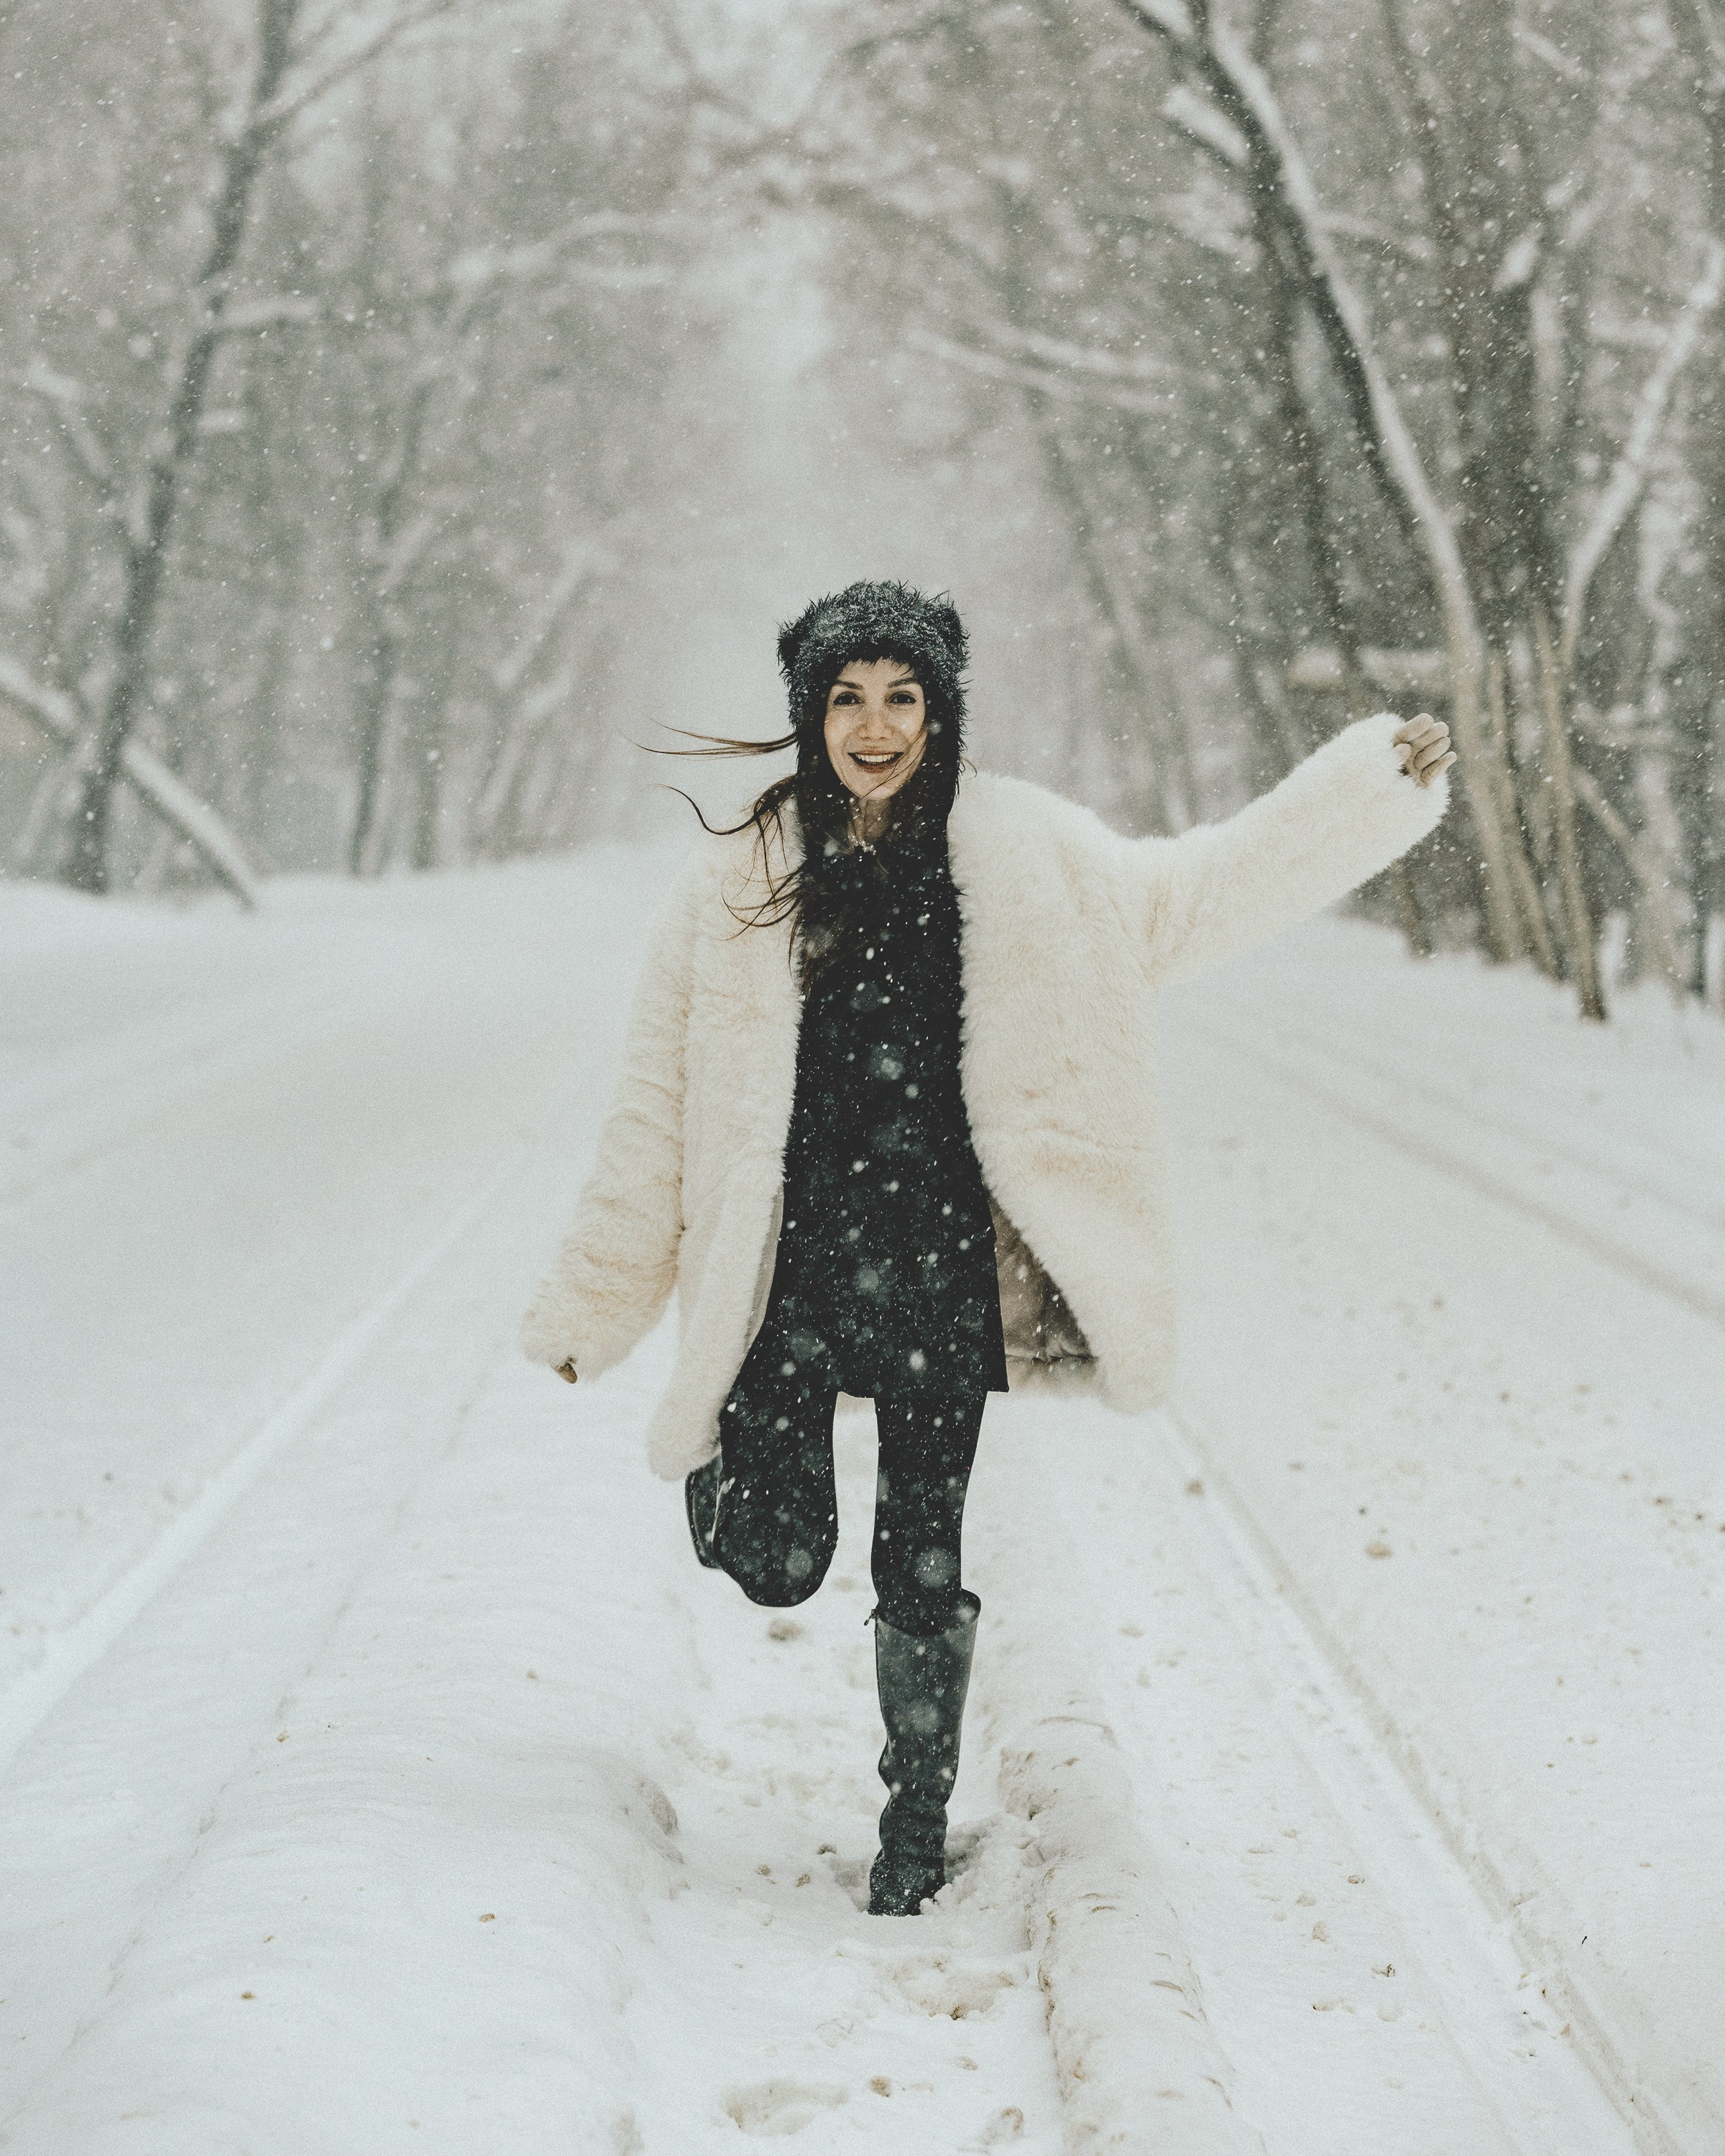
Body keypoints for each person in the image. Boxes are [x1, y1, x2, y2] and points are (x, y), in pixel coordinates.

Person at [523, 580, 1453, 1917]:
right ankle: (734, 1497)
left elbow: (1203, 890)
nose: (876, 725)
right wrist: (591, 1307)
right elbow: (650, 1114)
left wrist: (1370, 792)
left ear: (941, 708)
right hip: (790, 1263)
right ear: (810, 711)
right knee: (779, 1560)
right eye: (848, 698)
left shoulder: (1027, 859)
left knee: (925, 1550)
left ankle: (913, 1817)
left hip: (941, 1259)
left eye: (903, 696)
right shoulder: (741, 885)